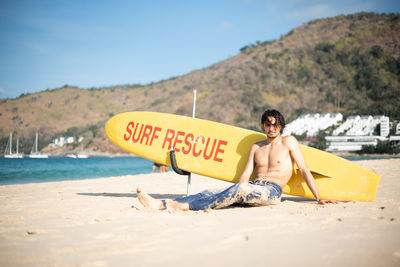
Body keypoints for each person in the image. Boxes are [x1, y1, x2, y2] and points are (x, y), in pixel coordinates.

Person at [137, 109, 338, 211]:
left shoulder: (289, 142)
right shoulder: (256, 147)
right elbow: (245, 174)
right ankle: (161, 204)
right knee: (211, 191)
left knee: (240, 190)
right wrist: (234, 190)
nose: (271, 128)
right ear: (262, 125)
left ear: (281, 126)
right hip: (253, 187)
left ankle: (182, 206)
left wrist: (318, 197)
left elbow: (303, 169)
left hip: (273, 192)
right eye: (268, 124)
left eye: (275, 125)